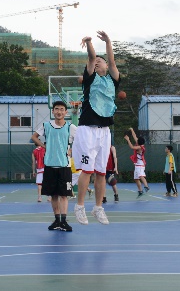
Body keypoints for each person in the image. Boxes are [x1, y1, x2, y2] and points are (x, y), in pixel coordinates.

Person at [72, 31, 120, 225]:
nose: (99, 62)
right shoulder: (90, 79)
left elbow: (113, 61)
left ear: (107, 66)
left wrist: (108, 42)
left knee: (101, 172)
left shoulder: (112, 80)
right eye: (96, 61)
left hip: (104, 131)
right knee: (87, 170)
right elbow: (91, 57)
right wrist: (90, 43)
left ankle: (98, 207)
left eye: (102, 61)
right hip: (87, 129)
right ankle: (79, 206)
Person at [31, 100, 76, 232]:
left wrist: (72, 149)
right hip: (50, 165)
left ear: (66, 112)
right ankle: (57, 220)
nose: (59, 111)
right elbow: (34, 137)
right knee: (53, 195)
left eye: (62, 109)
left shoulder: (71, 127)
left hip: (64, 165)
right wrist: (44, 146)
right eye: (57, 109)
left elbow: (80, 141)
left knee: (64, 195)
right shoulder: (46, 125)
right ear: (53, 111)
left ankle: (63, 221)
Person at [125, 128, 149, 198]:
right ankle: (140, 191)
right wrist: (132, 130)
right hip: (137, 164)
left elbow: (132, 147)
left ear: (139, 142)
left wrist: (128, 140)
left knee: (141, 175)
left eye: (137, 140)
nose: (136, 140)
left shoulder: (140, 147)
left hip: (140, 164)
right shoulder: (139, 144)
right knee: (136, 179)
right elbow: (135, 136)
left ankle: (146, 186)